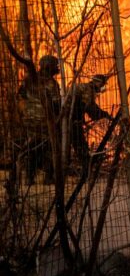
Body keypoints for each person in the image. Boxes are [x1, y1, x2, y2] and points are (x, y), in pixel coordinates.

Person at [17, 55, 61, 183]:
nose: (56, 68)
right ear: (50, 67)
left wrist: (26, 113)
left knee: (32, 148)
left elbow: (20, 96)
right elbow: (56, 105)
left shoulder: (29, 79)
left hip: (29, 120)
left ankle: (29, 178)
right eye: (55, 66)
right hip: (44, 121)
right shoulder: (52, 83)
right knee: (50, 146)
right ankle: (48, 177)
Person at [68, 74, 110, 173]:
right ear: (98, 83)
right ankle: (86, 170)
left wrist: (103, 114)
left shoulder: (84, 88)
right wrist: (103, 114)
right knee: (80, 145)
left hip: (69, 118)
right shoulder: (88, 90)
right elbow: (90, 109)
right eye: (102, 84)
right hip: (71, 120)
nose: (102, 87)